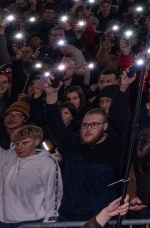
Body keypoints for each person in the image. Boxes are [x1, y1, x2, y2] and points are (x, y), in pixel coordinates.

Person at [46, 79, 124, 220]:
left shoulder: (116, 147)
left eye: (94, 125)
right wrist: (51, 95)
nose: (88, 129)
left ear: (104, 126)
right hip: (68, 217)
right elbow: (54, 124)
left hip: (101, 219)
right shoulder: (73, 144)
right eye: (84, 125)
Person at [0, 109, 62, 228]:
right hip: (4, 221)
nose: (20, 147)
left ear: (36, 141)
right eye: (17, 143)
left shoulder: (47, 163)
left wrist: (50, 223)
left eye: (25, 143)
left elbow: (53, 195)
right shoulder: (6, 157)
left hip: (33, 222)